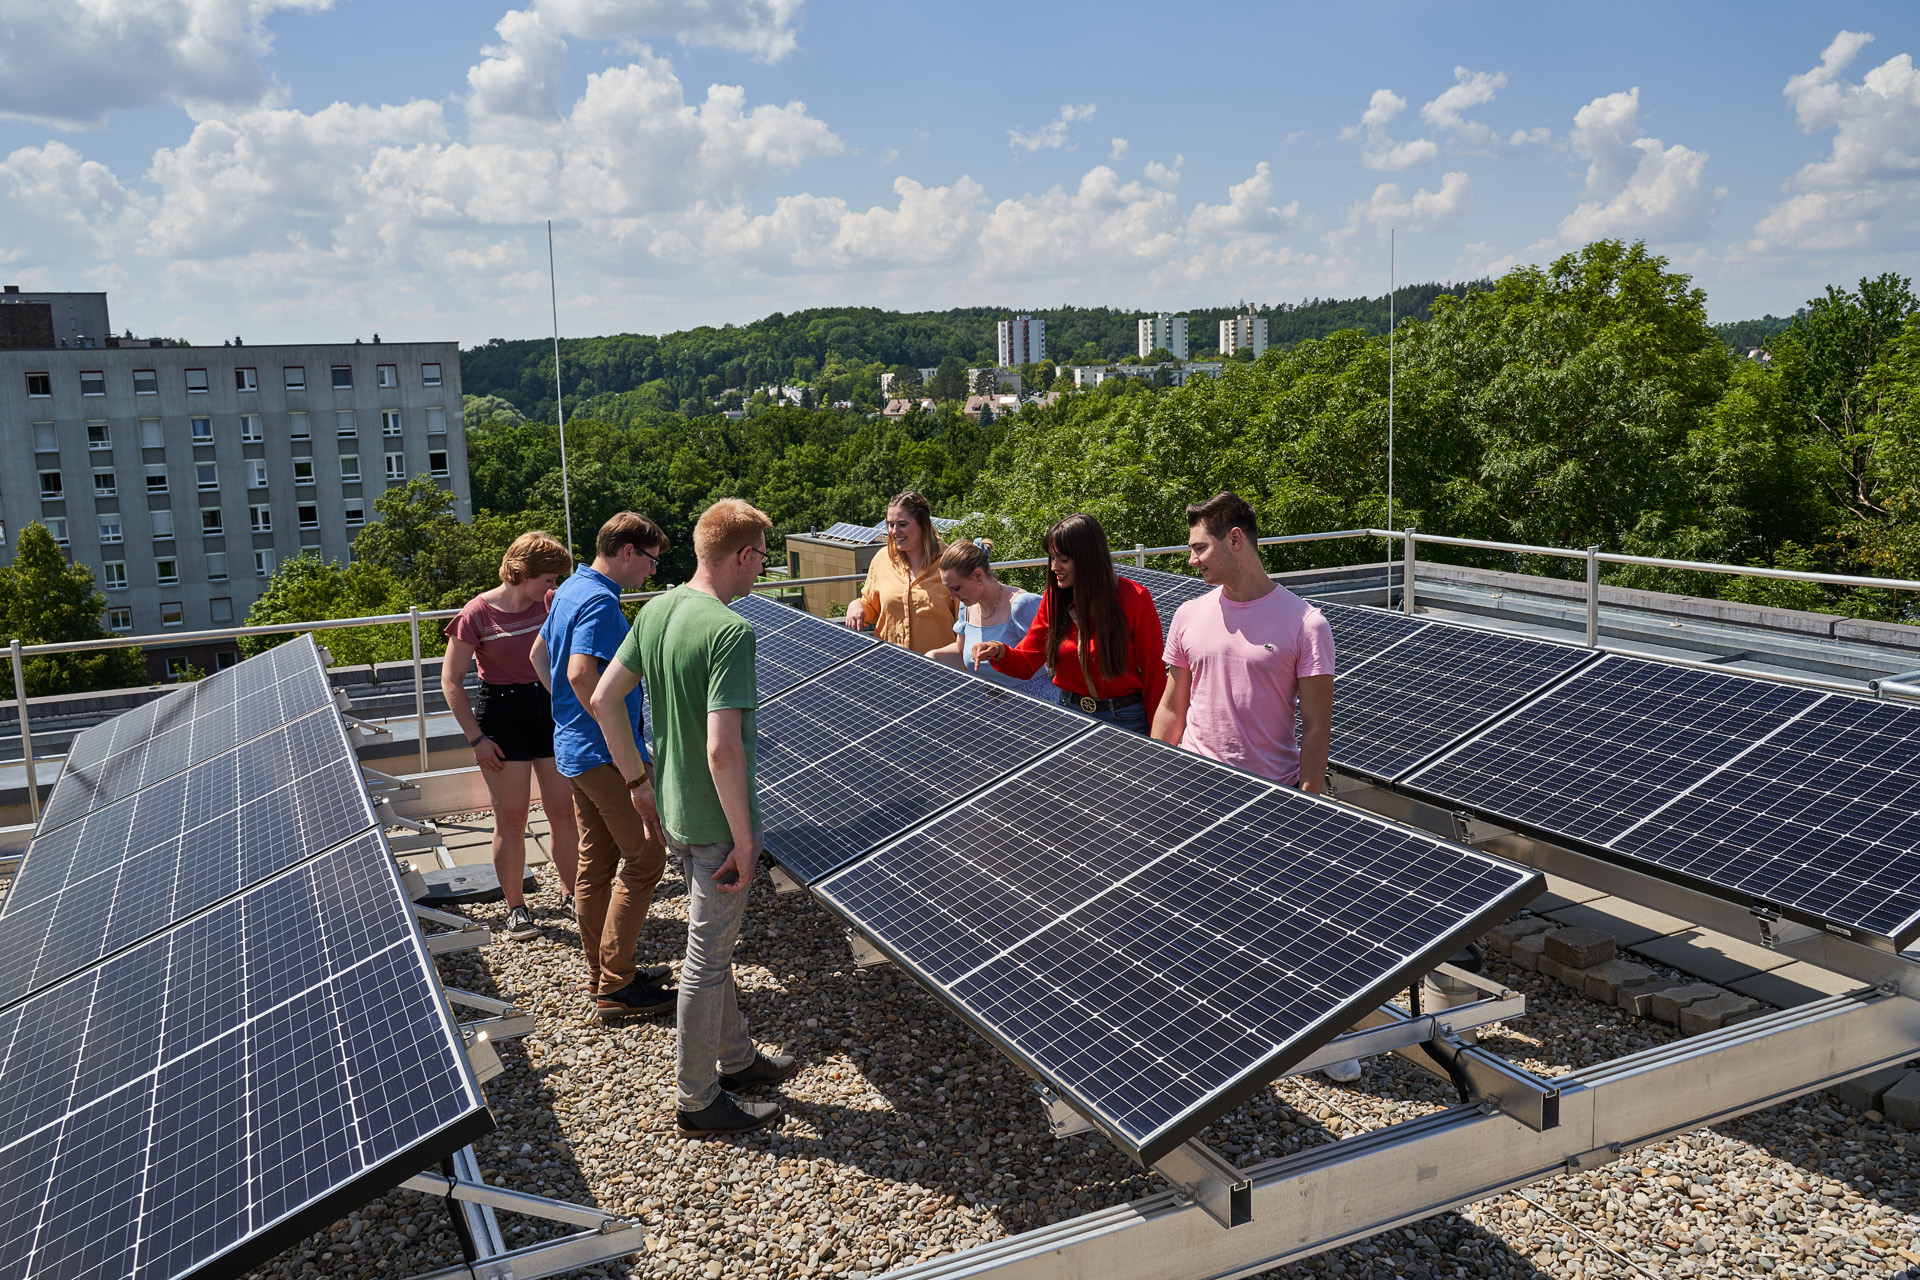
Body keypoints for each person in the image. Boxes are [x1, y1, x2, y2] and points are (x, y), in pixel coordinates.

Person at [593, 498, 798, 1136]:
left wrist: (638, 784)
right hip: (715, 827)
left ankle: (735, 1061)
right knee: (706, 962)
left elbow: (603, 699)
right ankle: (698, 1098)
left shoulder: (657, 610)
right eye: (762, 559)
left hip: (676, 812)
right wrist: (744, 838)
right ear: (742, 555)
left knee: (717, 947)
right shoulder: (730, 631)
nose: (762, 571)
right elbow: (722, 748)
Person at [1150, 491, 1351, 1080]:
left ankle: (1321, 1044)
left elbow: (1316, 724)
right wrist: (1154, 775)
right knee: (1195, 922)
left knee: (1287, 931)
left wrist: (1311, 799)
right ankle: (1212, 1038)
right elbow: (1171, 704)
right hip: (1193, 790)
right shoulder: (1188, 615)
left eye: (1200, 547)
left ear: (1236, 539)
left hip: (1272, 796)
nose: (1192, 560)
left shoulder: (1306, 624)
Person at [529, 512, 675, 1021]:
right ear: (629, 551)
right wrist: (615, 739)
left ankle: (605, 972)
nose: (651, 573)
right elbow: (578, 671)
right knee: (647, 861)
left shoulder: (571, 588)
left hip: (573, 752)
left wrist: (570, 717)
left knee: (596, 864)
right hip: (603, 757)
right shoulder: (599, 600)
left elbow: (537, 656)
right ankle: (616, 987)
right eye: (651, 560)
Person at [440, 531, 581, 941]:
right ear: (523, 574)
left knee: (561, 810)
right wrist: (476, 739)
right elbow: (451, 680)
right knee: (513, 816)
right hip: (502, 715)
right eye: (548, 579)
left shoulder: (550, 604)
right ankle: (517, 908)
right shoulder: (477, 613)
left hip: (549, 709)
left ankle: (572, 894)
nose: (553, 586)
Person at [972, 513, 1167, 731]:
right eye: (1052, 558)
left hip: (1127, 720)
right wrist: (999, 651)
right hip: (1071, 716)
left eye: (1063, 559)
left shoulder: (1135, 597)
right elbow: (1027, 663)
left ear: (1088, 558)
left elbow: (1154, 674)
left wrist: (1158, 736)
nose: (1055, 567)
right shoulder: (1053, 599)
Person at [841, 490, 957, 654]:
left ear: (923, 525)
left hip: (940, 671)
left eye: (902, 524)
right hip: (892, 666)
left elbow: (968, 624)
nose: (894, 531)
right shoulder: (882, 559)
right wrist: (856, 605)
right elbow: (871, 606)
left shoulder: (951, 563)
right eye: (890, 524)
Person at [927, 538, 1041, 692]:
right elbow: (963, 652)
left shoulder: (1022, 604)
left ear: (978, 576)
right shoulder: (966, 606)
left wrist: (1000, 652)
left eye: (957, 588)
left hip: (1036, 704)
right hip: (990, 706)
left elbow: (1053, 657)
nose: (952, 596)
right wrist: (933, 656)